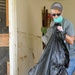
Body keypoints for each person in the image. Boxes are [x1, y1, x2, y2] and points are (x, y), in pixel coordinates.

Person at [42, 2, 75, 75]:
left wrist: (62, 33)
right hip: (58, 58)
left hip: (70, 57)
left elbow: (71, 41)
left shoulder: (67, 23)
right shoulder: (52, 24)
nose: (56, 16)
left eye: (58, 14)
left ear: (62, 12)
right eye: (53, 15)